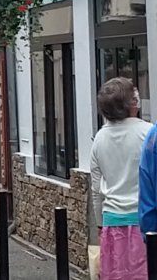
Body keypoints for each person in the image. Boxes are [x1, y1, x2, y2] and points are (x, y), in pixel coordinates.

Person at [91, 77, 148, 278]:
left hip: (112, 220)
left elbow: (96, 188)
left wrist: (99, 222)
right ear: (132, 102)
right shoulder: (148, 133)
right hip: (146, 222)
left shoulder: (99, 138)